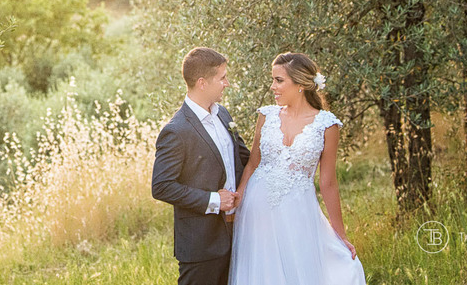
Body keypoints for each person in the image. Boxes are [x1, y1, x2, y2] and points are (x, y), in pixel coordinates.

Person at [228, 52, 366, 285]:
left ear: (300, 84)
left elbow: (328, 183)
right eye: (272, 80)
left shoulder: (327, 125)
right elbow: (253, 163)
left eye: (279, 80)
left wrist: (340, 234)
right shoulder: (266, 116)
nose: (272, 87)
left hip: (299, 211)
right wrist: (238, 199)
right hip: (257, 209)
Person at [152, 47, 252, 285]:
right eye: (222, 78)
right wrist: (215, 200)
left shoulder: (223, 114)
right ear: (202, 83)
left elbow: (244, 159)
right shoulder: (176, 130)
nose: (227, 83)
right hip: (201, 244)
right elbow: (162, 186)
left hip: (239, 234)